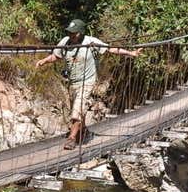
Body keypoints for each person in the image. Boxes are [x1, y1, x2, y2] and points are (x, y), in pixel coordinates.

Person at [35, 19, 141, 149]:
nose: (71, 35)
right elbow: (56, 56)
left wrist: (131, 53)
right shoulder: (65, 42)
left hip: (87, 82)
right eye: (69, 32)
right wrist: (44, 61)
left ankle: (71, 139)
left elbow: (111, 49)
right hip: (72, 84)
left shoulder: (91, 42)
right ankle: (84, 131)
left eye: (74, 33)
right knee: (78, 110)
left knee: (77, 110)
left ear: (81, 32)